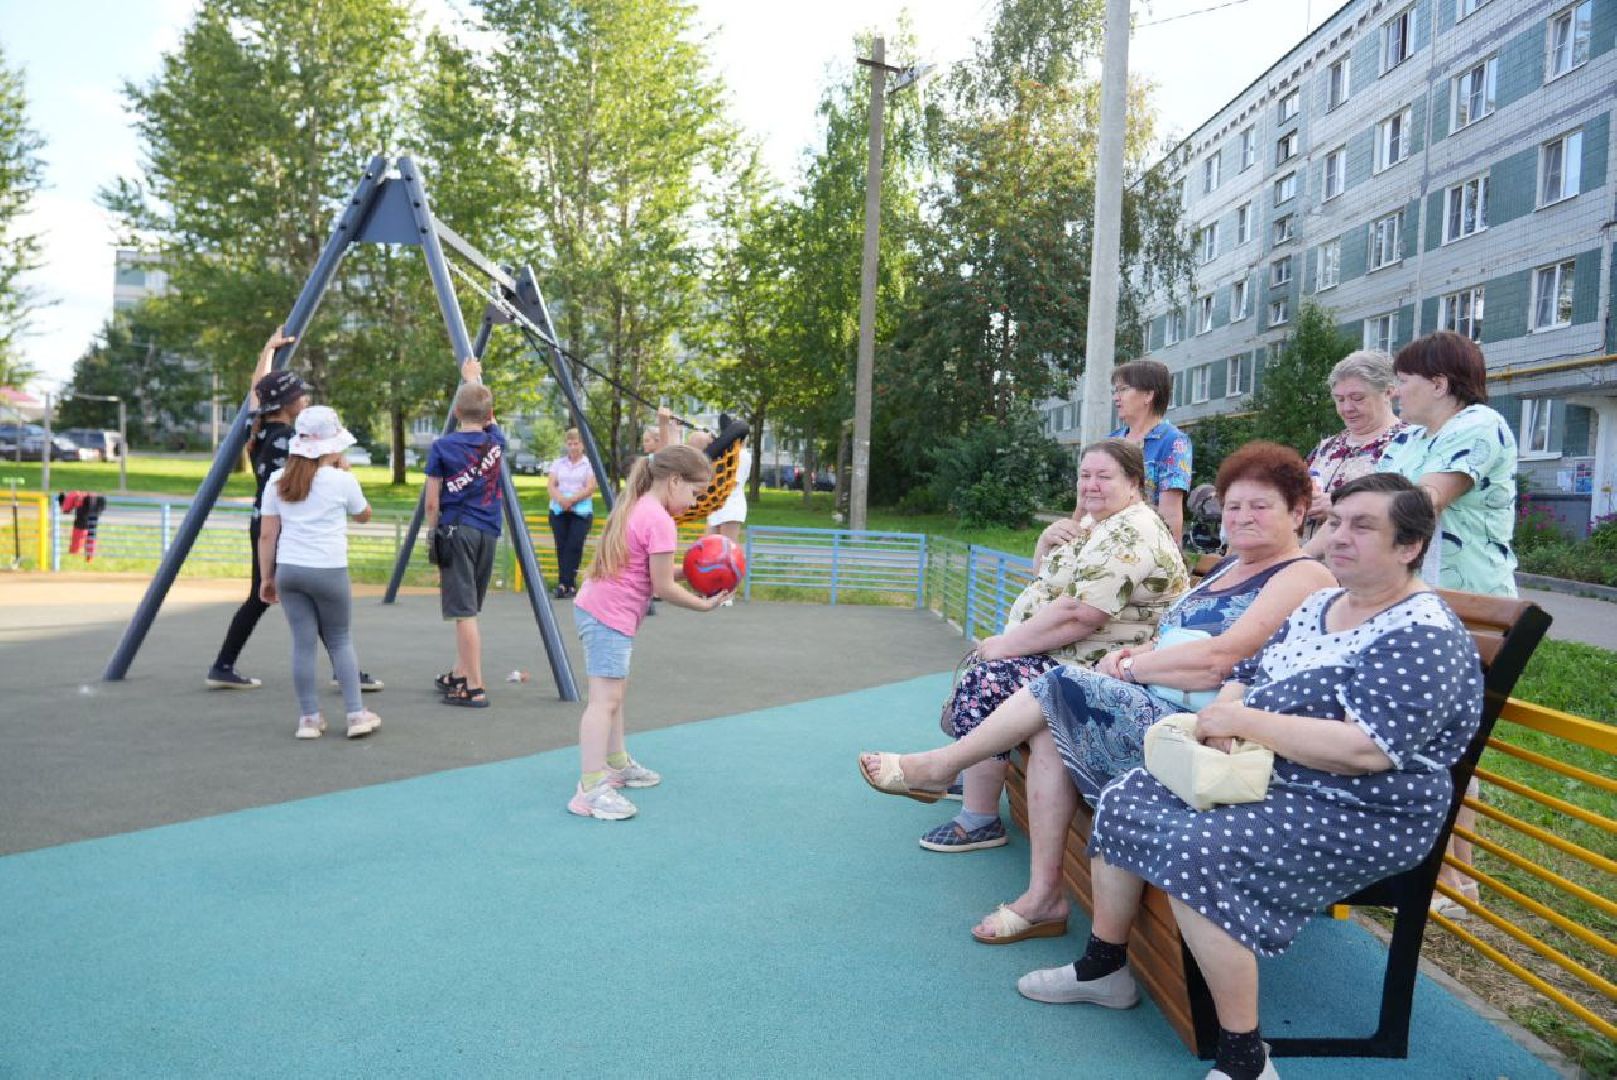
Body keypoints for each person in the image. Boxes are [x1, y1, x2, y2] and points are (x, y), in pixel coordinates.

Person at [1014, 473, 1482, 1080]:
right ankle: (1106, 968)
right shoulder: (1323, 602)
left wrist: (1244, 720)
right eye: (1335, 520)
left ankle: (1244, 1058)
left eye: (1363, 526)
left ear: (1409, 546)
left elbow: (1367, 752)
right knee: (1130, 794)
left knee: (1197, 851)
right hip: (1276, 774)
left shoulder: (1421, 634)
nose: (1339, 536)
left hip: (1364, 806)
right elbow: (1251, 666)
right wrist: (1226, 714)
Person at [859, 442, 1335, 944]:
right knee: (1050, 728)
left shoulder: (1300, 574)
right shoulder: (1226, 569)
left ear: (1299, 512)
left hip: (1201, 730)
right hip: (1158, 699)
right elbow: (1167, 630)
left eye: (1260, 506)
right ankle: (1044, 896)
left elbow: (1224, 658)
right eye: (1234, 506)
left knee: (1058, 686)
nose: (1242, 517)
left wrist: (1131, 665)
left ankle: (940, 767)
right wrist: (1135, 660)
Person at [918, 440, 1188, 857]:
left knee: (990, 680)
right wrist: (1045, 543)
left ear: (1134, 483)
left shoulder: (1133, 532)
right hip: (1069, 653)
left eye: (1104, 476)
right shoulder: (1103, 524)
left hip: (1100, 665)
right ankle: (972, 770)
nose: (1091, 485)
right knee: (988, 672)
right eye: (1085, 475)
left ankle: (978, 818)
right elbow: (1047, 583)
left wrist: (1007, 645)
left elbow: (1081, 614)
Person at [208, 327, 382, 693]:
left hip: (266, 521)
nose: (304, 399)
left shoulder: (257, 431)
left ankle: (224, 662)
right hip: (291, 524)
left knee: (262, 595)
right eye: (299, 395)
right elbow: (322, 470)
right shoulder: (293, 442)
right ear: (288, 404)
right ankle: (342, 668)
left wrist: (267, 351)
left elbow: (257, 394)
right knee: (311, 599)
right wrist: (338, 456)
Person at [568, 445, 731, 820]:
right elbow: (661, 587)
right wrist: (703, 604)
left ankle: (616, 763)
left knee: (614, 695)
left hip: (602, 611)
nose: (693, 503)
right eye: (693, 494)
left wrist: (693, 568)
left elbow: (651, 570)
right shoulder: (659, 519)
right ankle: (590, 788)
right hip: (608, 617)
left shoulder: (642, 505)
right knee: (604, 701)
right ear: (674, 481)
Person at [258, 406, 381, 741]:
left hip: (290, 569)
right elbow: (364, 515)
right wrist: (345, 472)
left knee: (302, 644)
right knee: (340, 639)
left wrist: (266, 577)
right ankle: (356, 714)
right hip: (329, 569)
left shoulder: (278, 481)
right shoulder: (342, 481)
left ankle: (309, 718)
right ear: (333, 446)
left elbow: (267, 534)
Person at [1373, 331, 1518, 597]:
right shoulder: (1408, 437)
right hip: (1410, 595)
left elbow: (1428, 499)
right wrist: (1302, 557)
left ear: (1439, 385)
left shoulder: (1480, 423)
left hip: (1468, 599)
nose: (1394, 393)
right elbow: (1368, 498)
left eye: (1403, 381)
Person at [425, 358, 505, 708]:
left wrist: (433, 532)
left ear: (456, 411)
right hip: (488, 530)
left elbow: (432, 501)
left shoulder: (442, 447)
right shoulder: (496, 440)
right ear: (488, 416)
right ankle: (460, 672)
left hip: (457, 530)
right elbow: (490, 417)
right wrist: (474, 379)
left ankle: (474, 686)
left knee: (463, 613)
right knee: (468, 609)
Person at [1300, 351, 1407, 549]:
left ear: (1388, 392)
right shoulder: (1327, 448)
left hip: (1367, 568)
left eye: (1357, 398)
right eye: (1339, 400)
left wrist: (1339, 507)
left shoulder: (1408, 444)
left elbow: (1407, 509)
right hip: (1312, 570)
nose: (1347, 408)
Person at [1110, 360, 1193, 547]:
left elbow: (1170, 513)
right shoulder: (1112, 441)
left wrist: (1167, 562)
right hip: (1107, 539)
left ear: (1148, 394)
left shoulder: (1173, 441)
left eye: (1123, 389)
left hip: (1144, 544)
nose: (1116, 397)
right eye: (1115, 391)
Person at [547, 428, 597, 599]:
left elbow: (590, 487)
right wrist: (561, 499)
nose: (573, 447)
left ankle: (570, 582)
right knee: (562, 546)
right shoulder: (558, 463)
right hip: (559, 510)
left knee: (574, 546)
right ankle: (563, 584)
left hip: (580, 511)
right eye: (570, 444)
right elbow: (551, 484)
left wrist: (572, 500)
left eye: (576, 444)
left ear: (582, 445)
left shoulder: (588, 464)